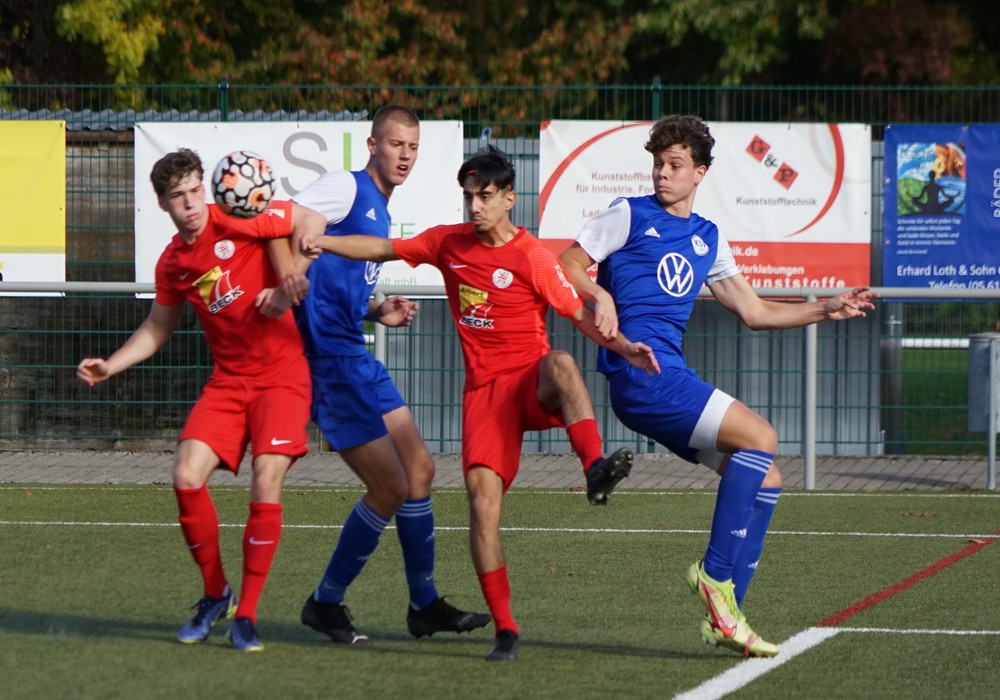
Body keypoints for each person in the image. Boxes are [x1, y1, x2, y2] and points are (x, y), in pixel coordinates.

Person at [297, 145, 660, 662]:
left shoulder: (533, 256)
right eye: (469, 196)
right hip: (485, 399)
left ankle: (594, 467)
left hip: (529, 384)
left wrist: (624, 347)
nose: (475, 206)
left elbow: (579, 314)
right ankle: (506, 631)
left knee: (561, 362)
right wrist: (324, 241)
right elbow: (381, 248)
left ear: (509, 198)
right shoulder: (448, 243)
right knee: (482, 508)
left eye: (485, 196)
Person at [559, 115, 876, 658]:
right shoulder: (628, 214)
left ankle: (726, 617)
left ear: (700, 172)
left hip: (667, 378)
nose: (662, 173)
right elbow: (566, 263)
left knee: (767, 476)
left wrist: (824, 309)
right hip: (642, 376)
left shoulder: (707, 237)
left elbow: (754, 311)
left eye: (675, 164)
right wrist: (600, 294)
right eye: (658, 163)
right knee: (762, 436)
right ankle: (713, 576)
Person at [77, 148, 325, 652]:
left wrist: (288, 281)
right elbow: (157, 327)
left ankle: (247, 616)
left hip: (281, 377)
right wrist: (110, 366)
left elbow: (312, 220)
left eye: (195, 191)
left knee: (265, 479)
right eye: (178, 196)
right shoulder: (172, 263)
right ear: (163, 204)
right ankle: (216, 593)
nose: (190, 204)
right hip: (229, 382)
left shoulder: (238, 214)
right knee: (186, 475)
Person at [271, 105, 490, 645]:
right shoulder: (345, 188)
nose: (405, 156)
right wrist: (289, 276)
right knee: (390, 486)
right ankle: (325, 602)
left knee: (419, 470)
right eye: (396, 145)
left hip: (356, 353)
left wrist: (375, 309)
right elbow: (283, 224)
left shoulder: (380, 209)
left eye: (413, 147)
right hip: (328, 361)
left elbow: (335, 282)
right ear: (372, 145)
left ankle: (423, 605)